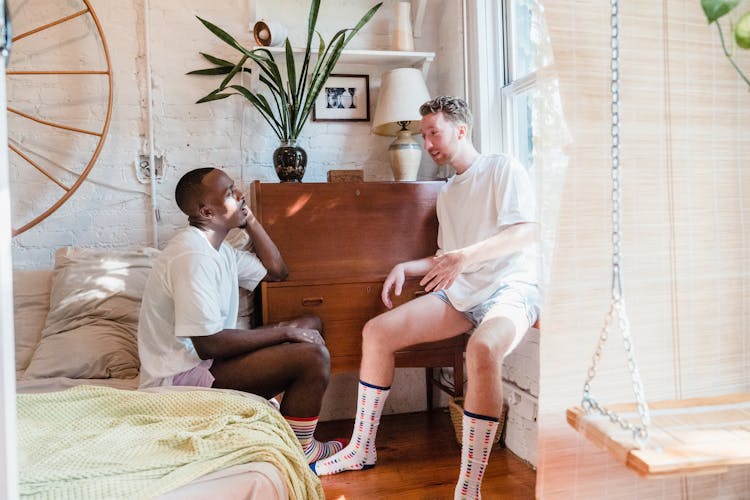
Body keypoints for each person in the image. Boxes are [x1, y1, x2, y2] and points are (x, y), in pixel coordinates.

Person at [311, 96, 540, 499]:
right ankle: (361, 449)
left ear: (461, 129)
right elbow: (445, 257)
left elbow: (525, 233)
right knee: (377, 331)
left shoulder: (502, 168)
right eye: (424, 134)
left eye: (434, 132)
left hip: (512, 288)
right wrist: (406, 267)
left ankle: (468, 488)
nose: (428, 142)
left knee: (483, 350)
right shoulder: (448, 192)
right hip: (462, 295)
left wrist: (464, 257)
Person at [137, 167, 345, 464]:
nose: (240, 195)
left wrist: (250, 220)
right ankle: (302, 451)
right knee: (312, 356)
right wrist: (285, 333)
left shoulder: (219, 250)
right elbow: (208, 344)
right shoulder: (191, 255)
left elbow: (277, 272)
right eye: (229, 192)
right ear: (207, 211)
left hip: (208, 362)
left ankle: (288, 429)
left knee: (311, 324)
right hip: (177, 380)